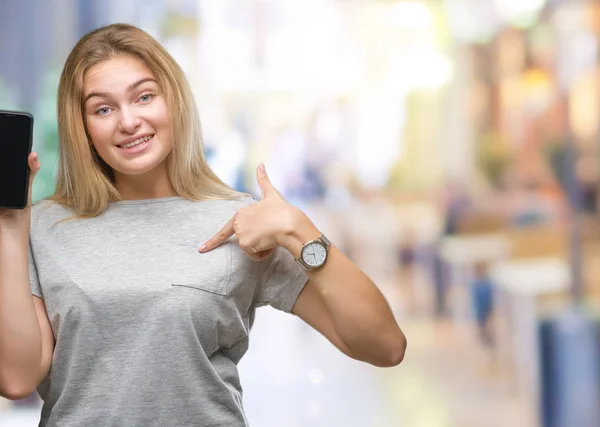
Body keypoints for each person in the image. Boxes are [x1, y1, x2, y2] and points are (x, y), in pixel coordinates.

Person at [0, 23, 406, 426]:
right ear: (83, 127)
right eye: (103, 108)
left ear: (173, 101)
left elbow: (385, 346)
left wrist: (299, 231)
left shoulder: (241, 222)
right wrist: (10, 225)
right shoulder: (44, 227)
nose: (127, 121)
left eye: (144, 97)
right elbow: (17, 378)